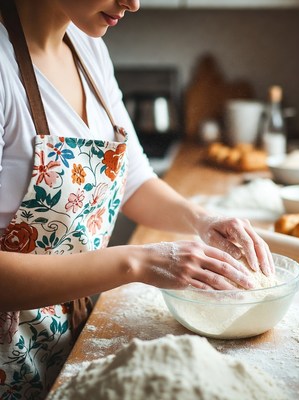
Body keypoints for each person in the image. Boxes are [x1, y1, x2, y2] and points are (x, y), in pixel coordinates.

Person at [0, 0, 274, 398]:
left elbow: (132, 177)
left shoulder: (88, 48)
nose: (133, 2)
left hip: (62, 336)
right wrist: (139, 261)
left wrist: (202, 220)